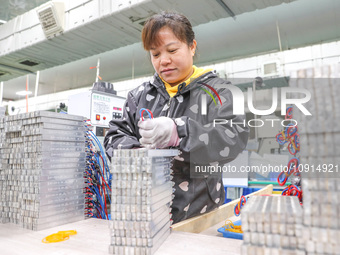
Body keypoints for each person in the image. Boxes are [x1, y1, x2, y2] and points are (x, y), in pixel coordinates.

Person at [104, 11, 249, 224]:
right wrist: (135, 153)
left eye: (172, 50)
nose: (164, 61)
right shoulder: (139, 96)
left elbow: (234, 138)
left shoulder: (220, 91)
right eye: (155, 54)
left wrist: (179, 132)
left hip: (200, 214)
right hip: (146, 215)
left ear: (192, 46)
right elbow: (114, 136)